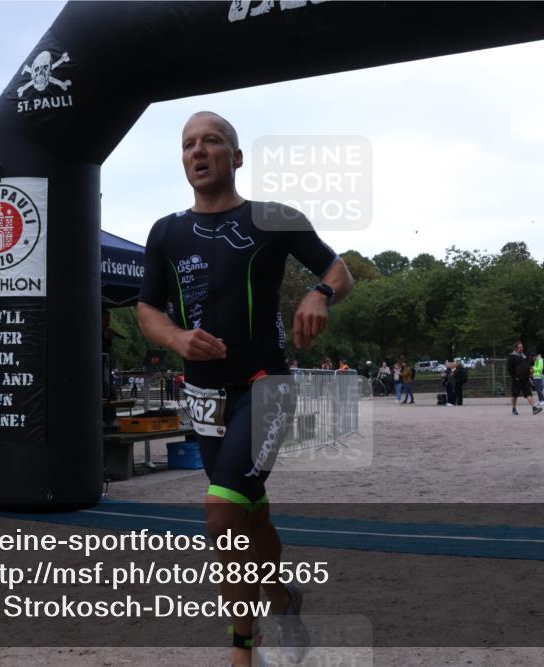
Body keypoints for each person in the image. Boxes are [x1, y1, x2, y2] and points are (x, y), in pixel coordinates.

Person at [136, 111, 354, 667]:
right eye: (188, 144)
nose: (199, 151)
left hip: (267, 385)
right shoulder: (164, 233)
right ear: (182, 160)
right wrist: (177, 338)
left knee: (218, 513)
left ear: (236, 157)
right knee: (247, 515)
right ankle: (282, 600)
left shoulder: (273, 218)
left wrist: (317, 295)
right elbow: (146, 311)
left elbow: (338, 270)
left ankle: (242, 651)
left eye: (212, 141)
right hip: (204, 396)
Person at [508, 342, 542, 416]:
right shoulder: (512, 357)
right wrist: (514, 377)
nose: (522, 348)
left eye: (522, 347)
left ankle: (534, 408)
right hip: (517, 379)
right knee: (515, 395)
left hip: (525, 378)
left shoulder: (524, 355)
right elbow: (510, 369)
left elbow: (527, 365)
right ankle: (514, 409)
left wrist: (530, 371)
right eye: (520, 347)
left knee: (529, 393)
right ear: (516, 349)